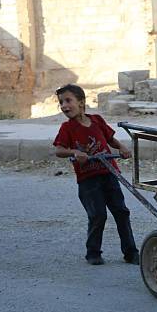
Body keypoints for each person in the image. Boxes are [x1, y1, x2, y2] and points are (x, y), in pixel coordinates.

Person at [53, 84, 139, 266]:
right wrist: (74, 152)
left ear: (82, 102)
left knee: (121, 212)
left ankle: (131, 252)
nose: (64, 106)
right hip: (88, 179)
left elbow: (110, 139)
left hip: (109, 172)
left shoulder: (97, 120)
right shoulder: (67, 128)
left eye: (68, 100)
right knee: (98, 215)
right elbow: (59, 150)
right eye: (61, 102)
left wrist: (121, 147)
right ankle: (93, 252)